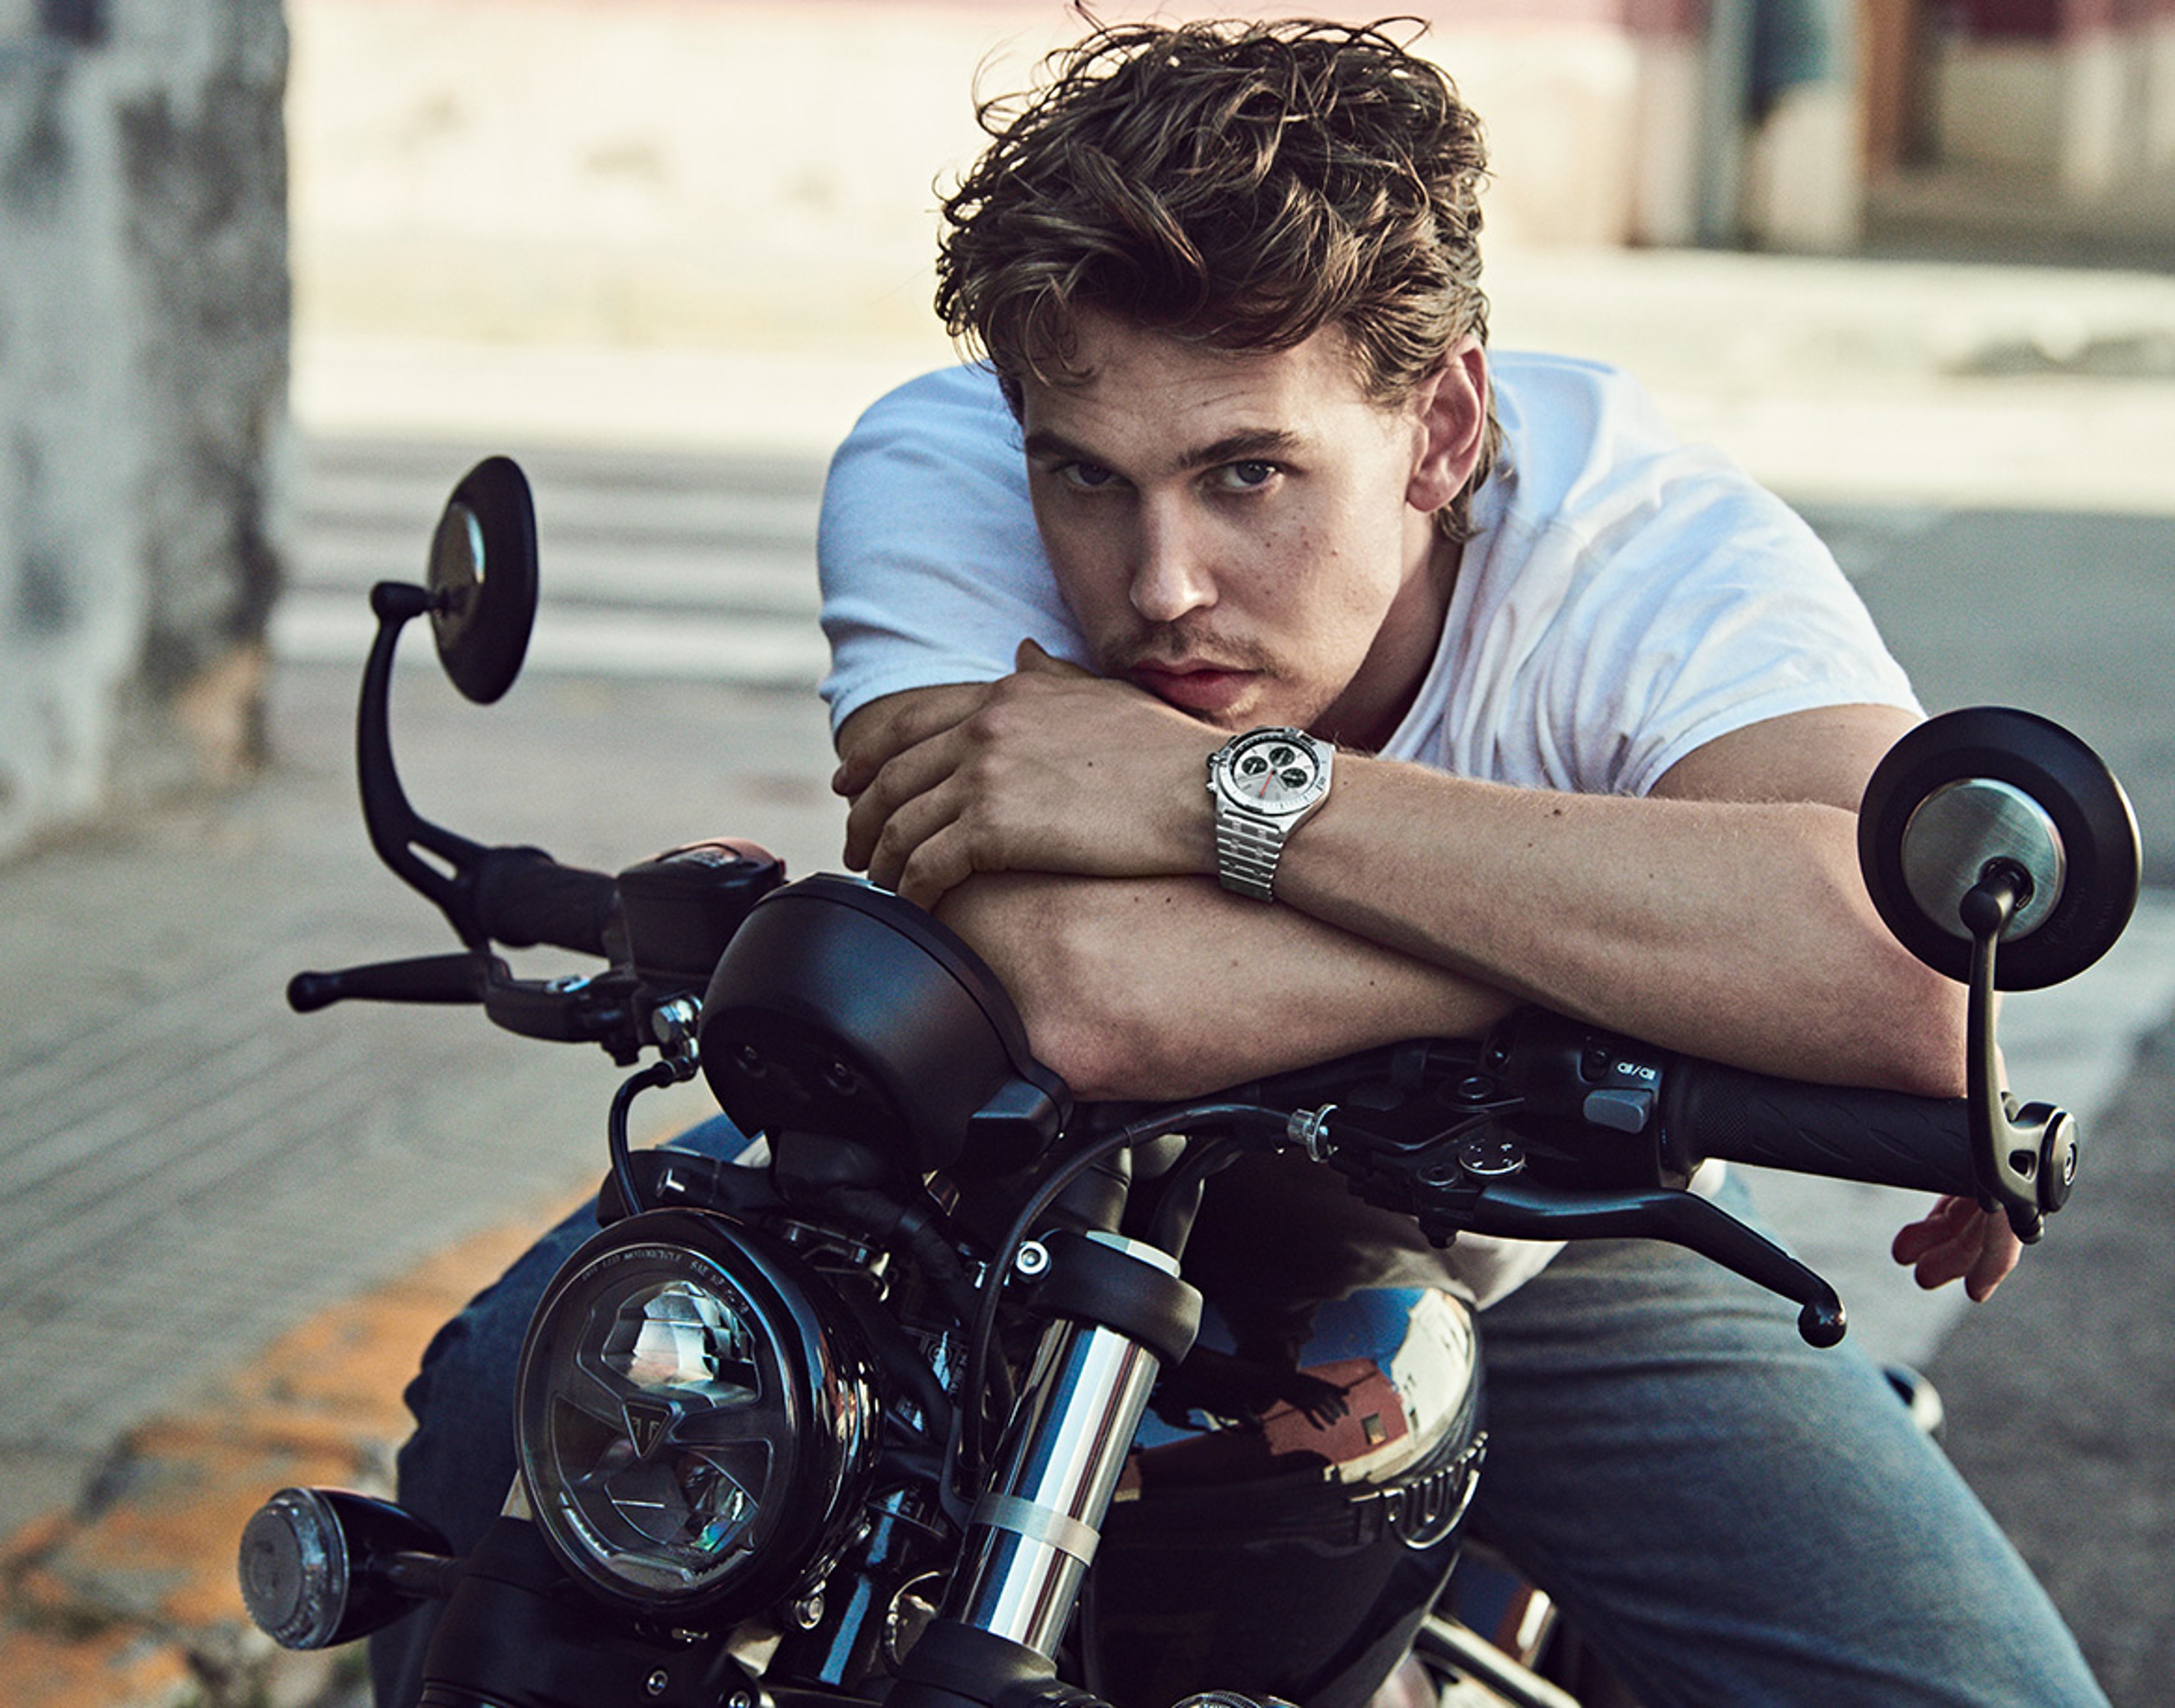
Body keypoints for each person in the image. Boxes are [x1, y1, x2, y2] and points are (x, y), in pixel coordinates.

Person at [373, 18, 2105, 1708]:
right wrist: (1667, 958)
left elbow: (1906, 981)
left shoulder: (1651, 551)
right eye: (1089, 477)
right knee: (500, 1432)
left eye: (1250, 474)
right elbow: (1084, 996)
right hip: (991, 1173)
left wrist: (1223, 794)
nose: (1161, 584)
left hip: (1534, 1238)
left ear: (1442, 428)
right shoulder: (942, 462)